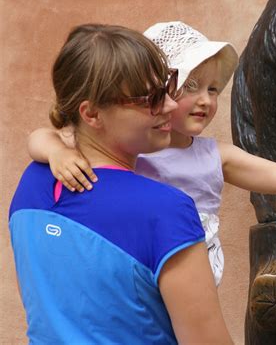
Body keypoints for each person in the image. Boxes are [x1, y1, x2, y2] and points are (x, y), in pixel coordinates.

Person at [27, 21, 276, 287]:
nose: (205, 100)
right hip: (140, 266)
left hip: (192, 269)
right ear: (157, 94)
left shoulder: (216, 156)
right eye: (191, 86)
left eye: (213, 89)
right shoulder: (130, 146)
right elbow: (45, 134)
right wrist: (55, 152)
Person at [11, 24, 233, 344]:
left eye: (168, 91)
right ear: (92, 114)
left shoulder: (32, 184)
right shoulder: (165, 210)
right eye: (151, 99)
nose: (170, 106)